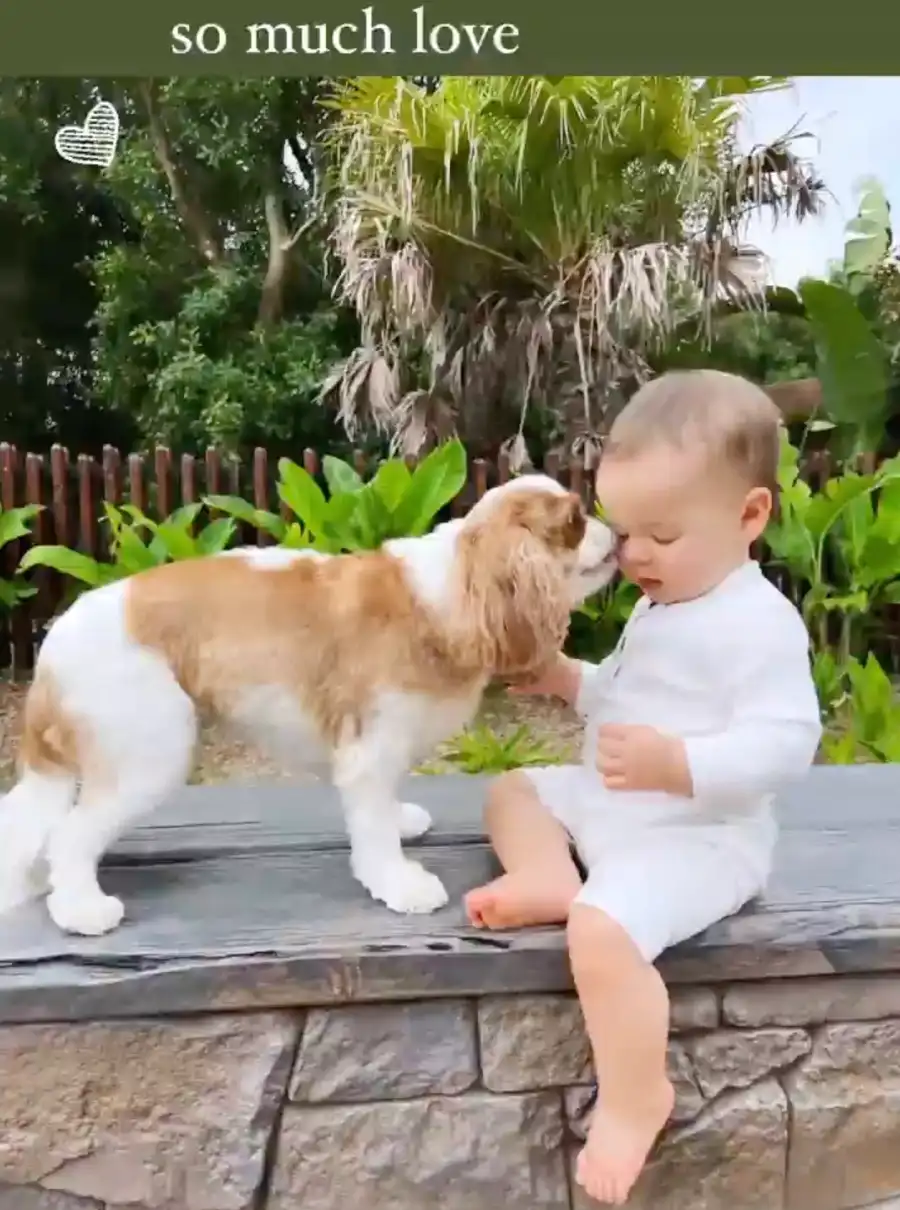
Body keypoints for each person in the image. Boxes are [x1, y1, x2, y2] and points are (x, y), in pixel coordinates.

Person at [464, 370, 822, 1206]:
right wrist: (563, 679)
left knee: (601, 932)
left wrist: (680, 766)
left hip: (700, 836)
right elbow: (625, 693)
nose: (634, 554)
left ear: (750, 516)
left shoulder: (757, 622)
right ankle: (548, 873)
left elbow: (787, 743)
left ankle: (634, 1098)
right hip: (615, 806)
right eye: (625, 532)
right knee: (511, 790)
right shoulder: (662, 604)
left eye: (661, 533)